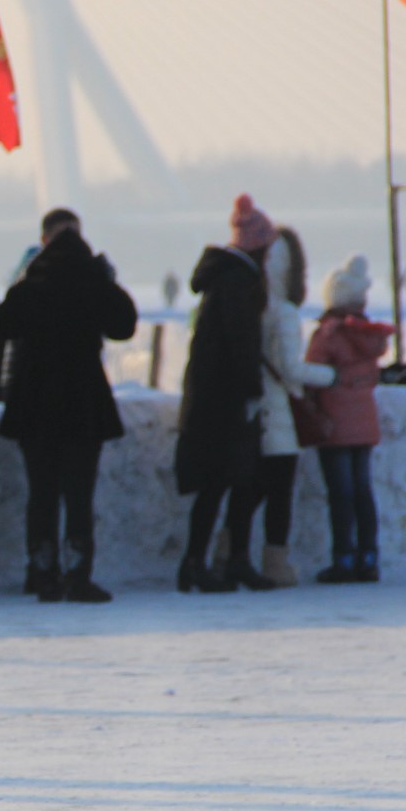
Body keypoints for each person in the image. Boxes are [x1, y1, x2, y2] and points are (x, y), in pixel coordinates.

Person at [0, 208, 138, 603]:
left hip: (35, 400)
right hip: (83, 401)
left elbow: (2, 326)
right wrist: (109, 282)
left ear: (44, 240)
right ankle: (77, 575)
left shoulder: (32, 282)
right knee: (78, 493)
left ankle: (42, 574)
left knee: (41, 492)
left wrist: (26, 279)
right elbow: (124, 326)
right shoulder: (94, 280)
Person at [219, 228, 335, 589]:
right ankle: (275, 563)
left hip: (255, 411)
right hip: (280, 415)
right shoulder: (284, 314)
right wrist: (331, 375)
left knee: (251, 488)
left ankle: (228, 551)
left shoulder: (249, 308)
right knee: (278, 493)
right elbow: (290, 368)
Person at [174, 195, 275, 593]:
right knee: (224, 483)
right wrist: (251, 391)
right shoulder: (238, 282)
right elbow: (240, 345)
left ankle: (211, 561)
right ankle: (204, 562)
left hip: (210, 400)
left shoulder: (223, 279)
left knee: (224, 484)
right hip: (224, 403)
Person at [304, 256, 393, 583]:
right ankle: (368, 556)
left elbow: (310, 376)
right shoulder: (370, 336)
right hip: (365, 424)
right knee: (362, 492)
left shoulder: (328, 334)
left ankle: (343, 557)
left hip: (335, 424)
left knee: (340, 494)